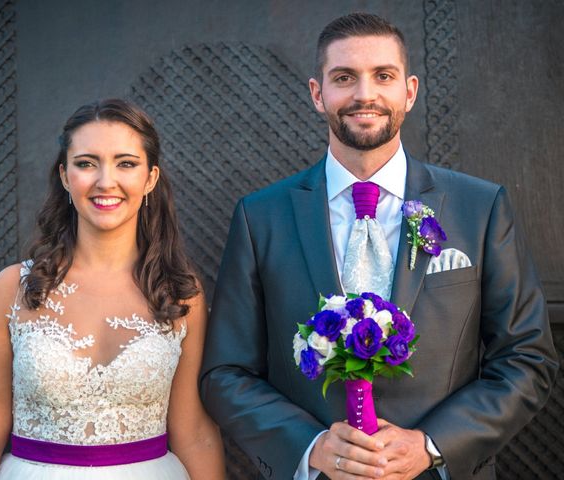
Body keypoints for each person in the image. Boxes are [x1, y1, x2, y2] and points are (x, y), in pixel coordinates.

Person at [200, 12, 558, 480]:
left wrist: (431, 445)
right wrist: (311, 447)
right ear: (317, 93)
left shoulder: (481, 207)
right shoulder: (260, 217)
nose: (364, 94)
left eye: (382, 76)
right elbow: (226, 372)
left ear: (409, 91)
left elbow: (527, 356)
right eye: (344, 77)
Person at [0, 98, 225, 479]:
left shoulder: (180, 293)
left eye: (125, 163)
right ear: (65, 176)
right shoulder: (13, 288)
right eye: (86, 163)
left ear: (150, 178)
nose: (105, 181)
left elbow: (193, 431)